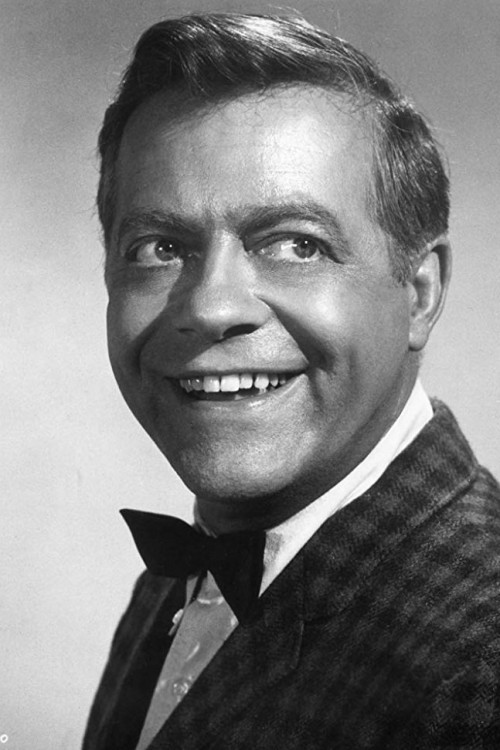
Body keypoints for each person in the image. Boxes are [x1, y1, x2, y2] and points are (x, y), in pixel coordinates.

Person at [83, 11, 500, 750]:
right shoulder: (178, 580)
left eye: (296, 245)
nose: (211, 308)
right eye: (159, 248)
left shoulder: (481, 661)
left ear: (420, 293)